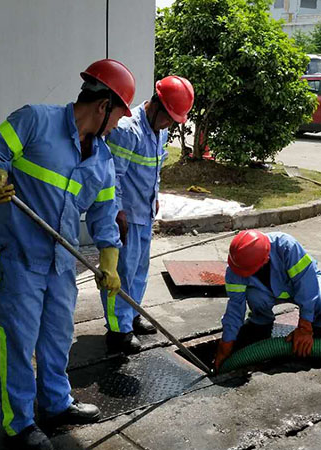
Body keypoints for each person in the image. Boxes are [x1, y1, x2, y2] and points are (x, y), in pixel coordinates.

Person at [0, 59, 135, 450]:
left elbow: (104, 215)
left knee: (58, 336)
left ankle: (56, 403)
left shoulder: (102, 159)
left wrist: (109, 261)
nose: (116, 126)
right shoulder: (34, 121)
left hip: (61, 263)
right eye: (118, 116)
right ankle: (19, 425)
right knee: (18, 339)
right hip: (20, 255)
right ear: (103, 106)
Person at [100, 76, 194, 354]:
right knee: (122, 273)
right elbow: (112, 177)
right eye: (169, 119)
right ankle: (118, 330)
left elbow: (154, 169)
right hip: (126, 217)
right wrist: (117, 211)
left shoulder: (159, 131)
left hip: (144, 213)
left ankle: (132, 314)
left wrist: (156, 197)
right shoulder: (127, 130)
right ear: (156, 105)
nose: (169, 125)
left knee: (139, 271)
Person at [214, 230, 321, 371]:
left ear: (266, 259)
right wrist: (226, 343)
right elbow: (235, 307)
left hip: (301, 284)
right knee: (255, 296)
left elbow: (306, 284)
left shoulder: (286, 246)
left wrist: (305, 327)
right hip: (268, 291)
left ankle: (319, 329)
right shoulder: (237, 267)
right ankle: (261, 324)